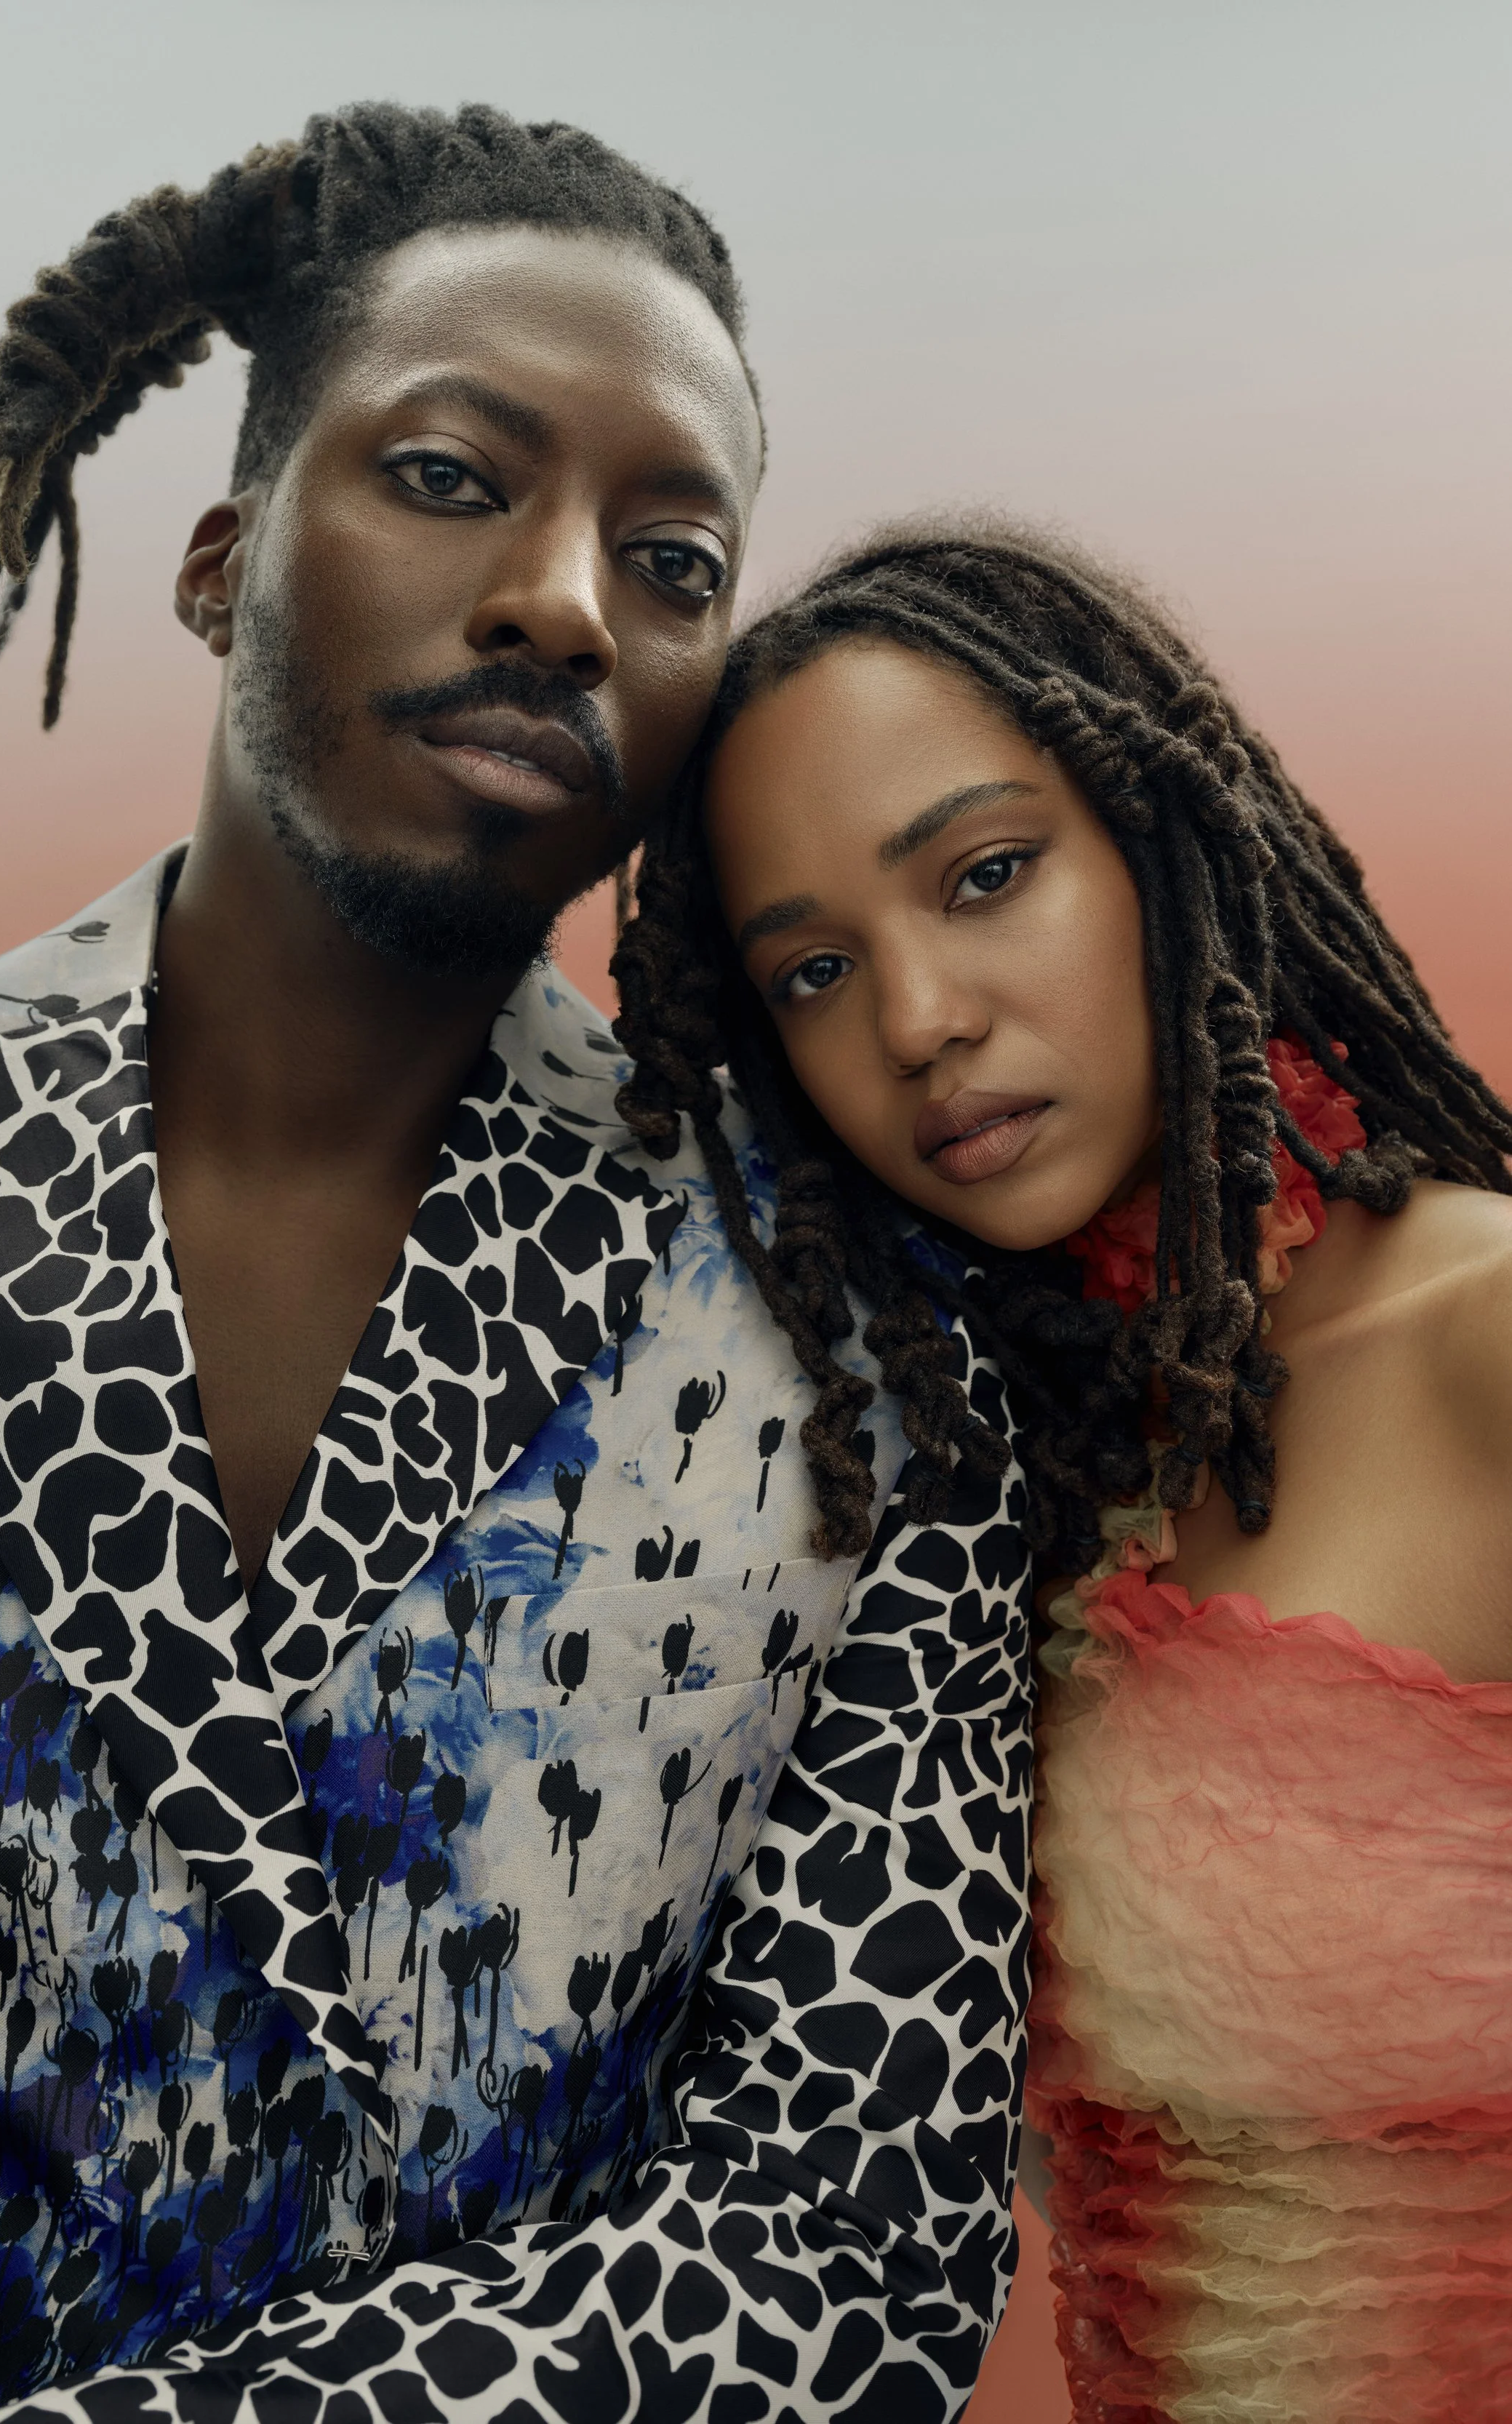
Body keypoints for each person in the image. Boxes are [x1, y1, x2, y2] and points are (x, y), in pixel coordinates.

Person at [0, 114, 1033, 2424]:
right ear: (217, 562)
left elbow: (844, 2239)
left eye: (674, 553)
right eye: (445, 475)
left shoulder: (867, 1368)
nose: (563, 600)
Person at [615, 517, 1512, 2423]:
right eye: (810, 971)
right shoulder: (985, 1479)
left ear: (1165, 845)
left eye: (986, 874)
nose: (917, 1020)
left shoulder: (1482, 1344)